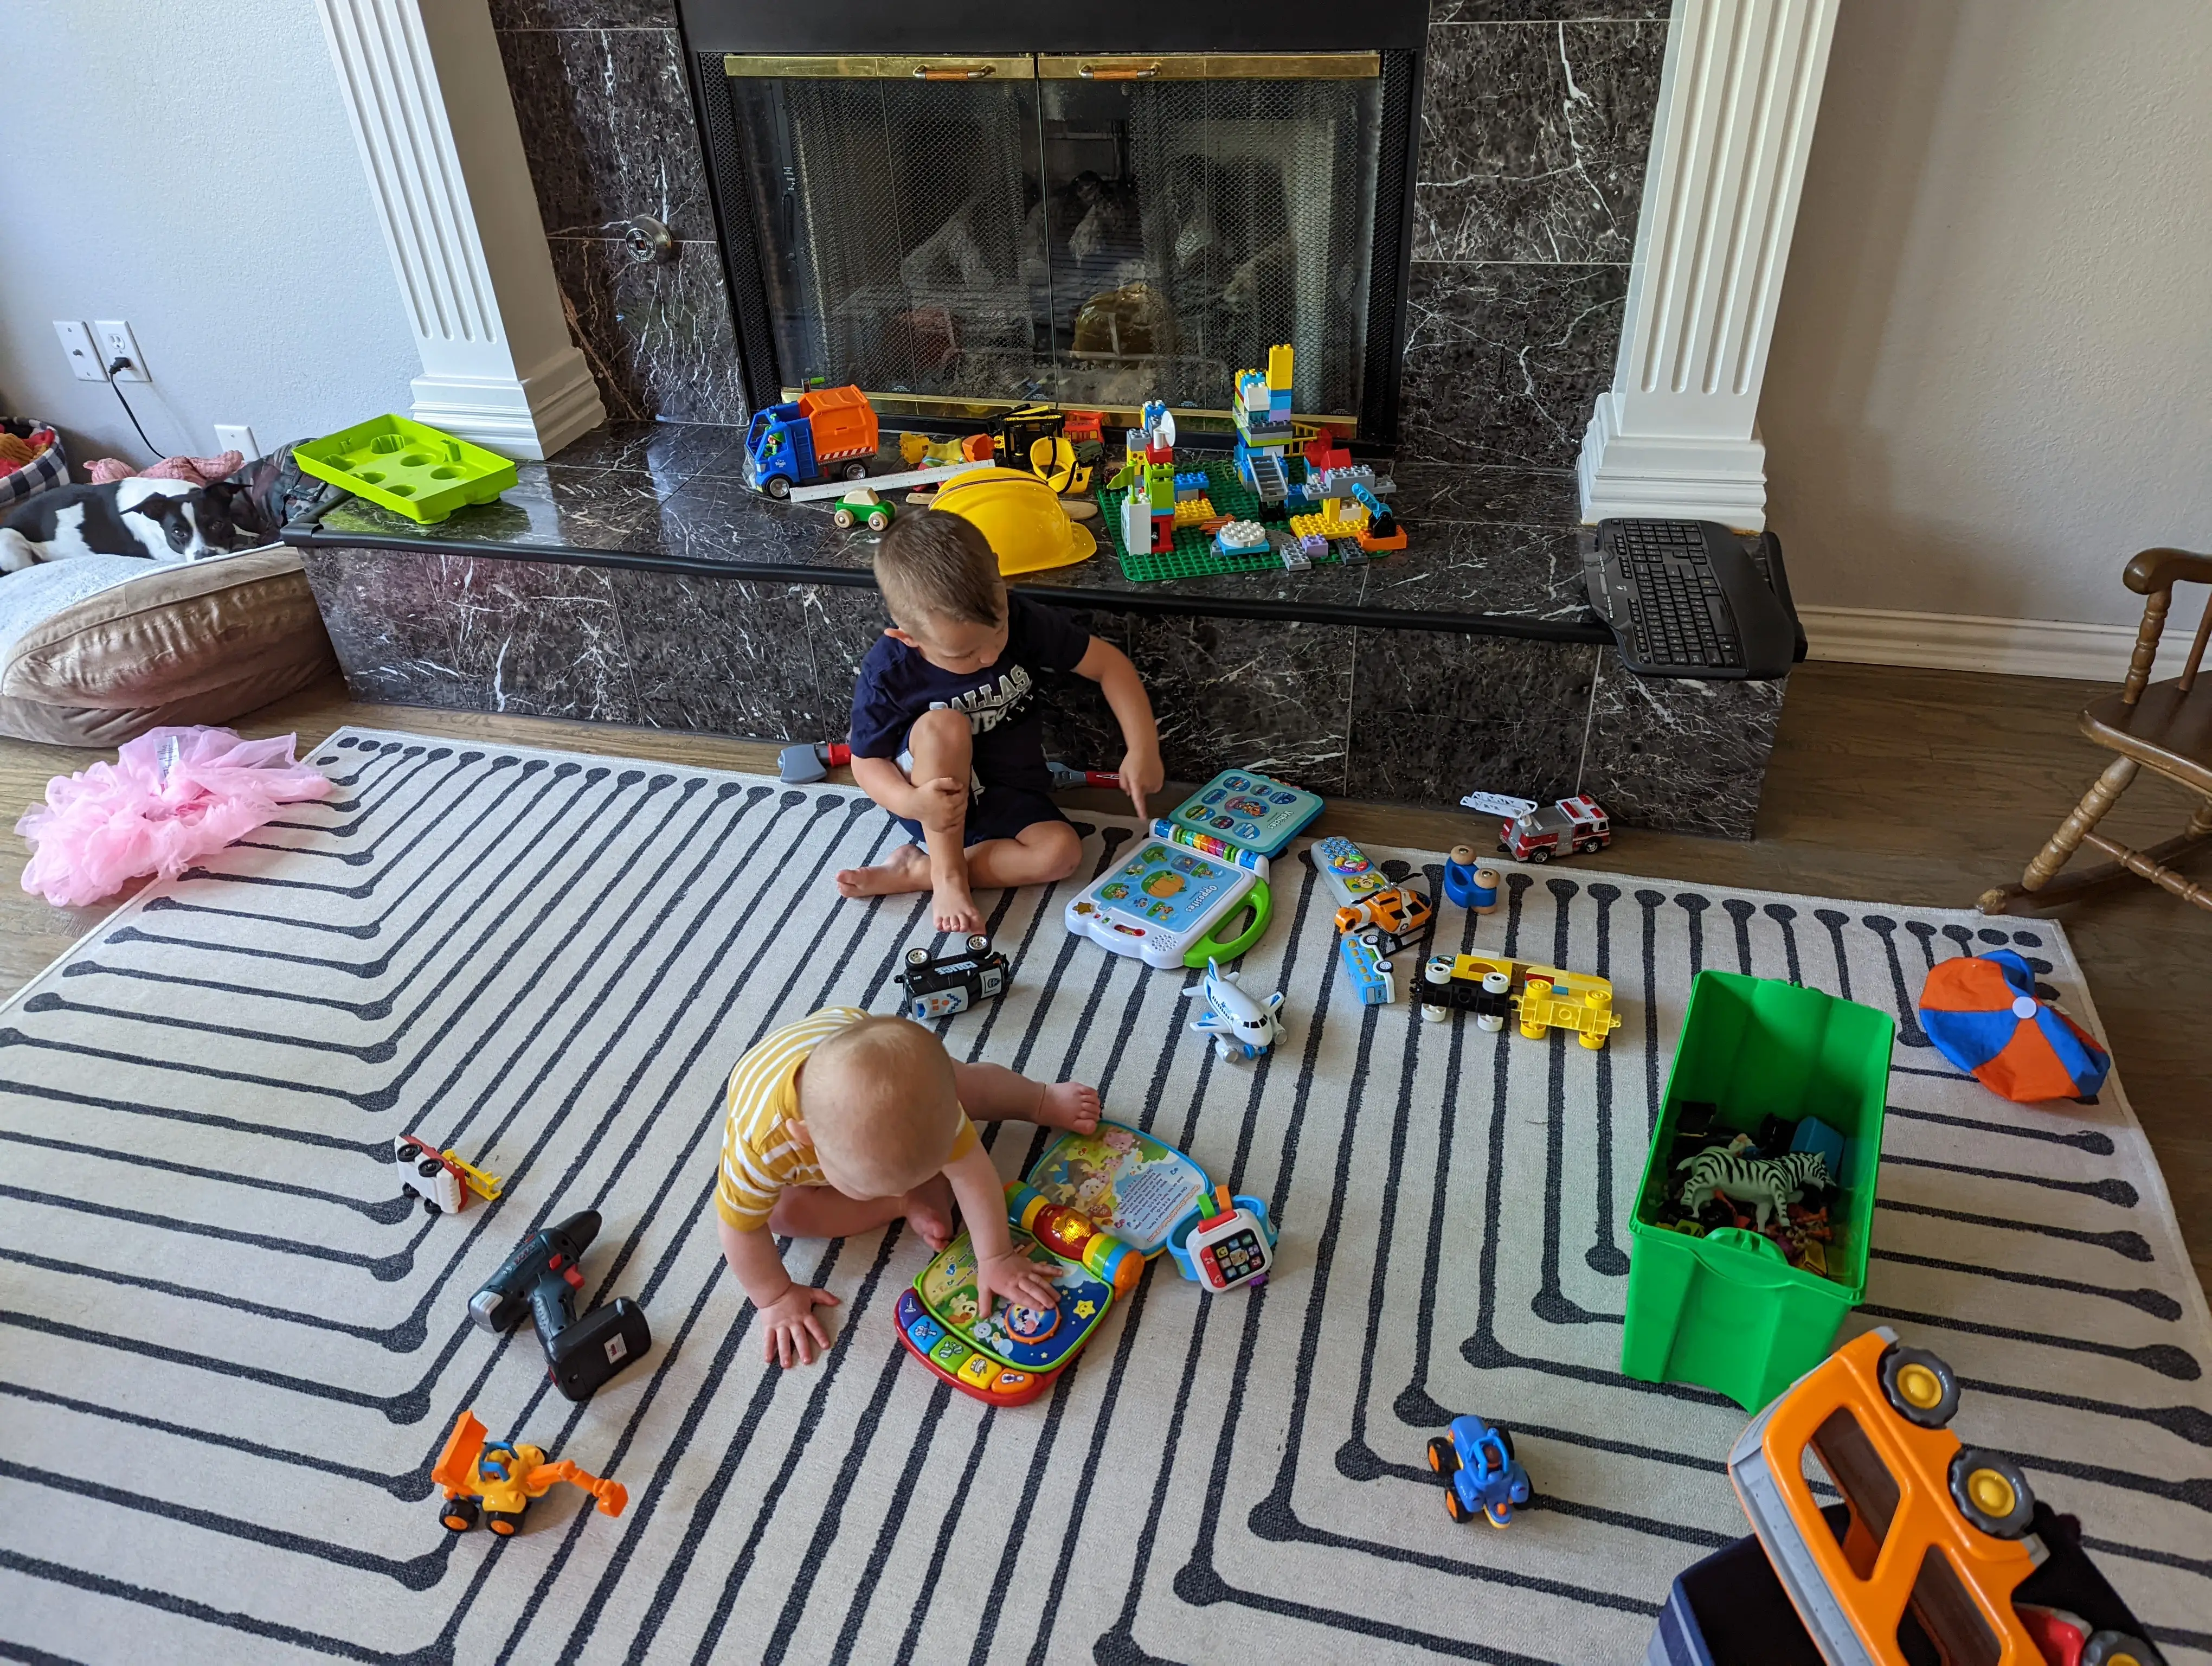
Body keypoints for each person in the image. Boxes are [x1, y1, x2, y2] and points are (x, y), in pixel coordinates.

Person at [715, 1006, 1103, 1368]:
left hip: (860, 1043)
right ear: (806, 1139)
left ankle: (1037, 1098)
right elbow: (738, 1226)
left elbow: (974, 1173)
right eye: (872, 1187)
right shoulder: (761, 1146)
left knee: (963, 1083)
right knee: (783, 1215)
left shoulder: (936, 1110)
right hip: (785, 1084)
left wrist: (996, 1257)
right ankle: (904, 1201)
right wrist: (775, 1296)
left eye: (930, 1170)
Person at [835, 509, 1162, 931]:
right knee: (944, 726)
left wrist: (1142, 748)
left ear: (999, 577)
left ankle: (918, 872)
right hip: (930, 797)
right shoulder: (889, 670)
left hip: (1008, 791)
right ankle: (948, 874)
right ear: (908, 637)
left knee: (1062, 854)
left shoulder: (1021, 617)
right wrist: (910, 803)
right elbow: (866, 761)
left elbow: (1109, 666)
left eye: (998, 631)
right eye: (965, 655)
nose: (989, 657)